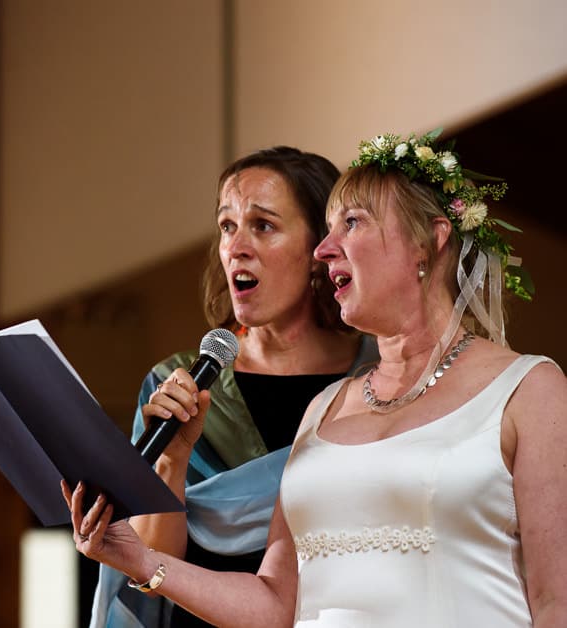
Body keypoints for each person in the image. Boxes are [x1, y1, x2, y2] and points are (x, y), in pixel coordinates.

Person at [65, 130, 567, 627]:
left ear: (428, 243)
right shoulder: (325, 408)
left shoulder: (529, 390)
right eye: (328, 229)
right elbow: (275, 602)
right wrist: (137, 560)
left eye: (351, 223)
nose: (326, 250)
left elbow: (555, 604)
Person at [88, 146, 378, 627]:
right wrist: (172, 459)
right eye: (227, 226)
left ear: (318, 250)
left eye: (262, 225)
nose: (235, 246)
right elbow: (153, 567)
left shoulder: (378, 377)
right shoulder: (174, 384)